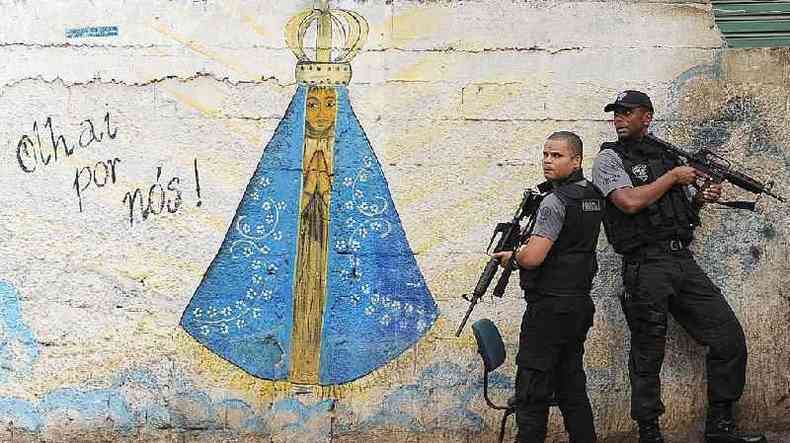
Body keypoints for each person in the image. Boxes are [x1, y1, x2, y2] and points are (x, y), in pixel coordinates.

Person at [591, 90, 766, 443]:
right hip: (644, 265)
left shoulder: (666, 155)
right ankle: (649, 432)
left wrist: (700, 198)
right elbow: (627, 203)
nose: (619, 119)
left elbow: (680, 215)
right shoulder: (609, 160)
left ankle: (720, 427)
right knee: (648, 352)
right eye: (616, 113)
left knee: (727, 337)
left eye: (628, 112)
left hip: (680, 260)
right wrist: (673, 178)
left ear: (647, 117)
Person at [495, 131, 602, 443]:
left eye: (557, 156)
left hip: (549, 308)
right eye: (545, 155)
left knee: (532, 387)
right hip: (578, 305)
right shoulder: (593, 195)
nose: (548, 161)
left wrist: (513, 255)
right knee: (571, 386)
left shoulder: (555, 202)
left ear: (577, 160)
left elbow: (534, 257)